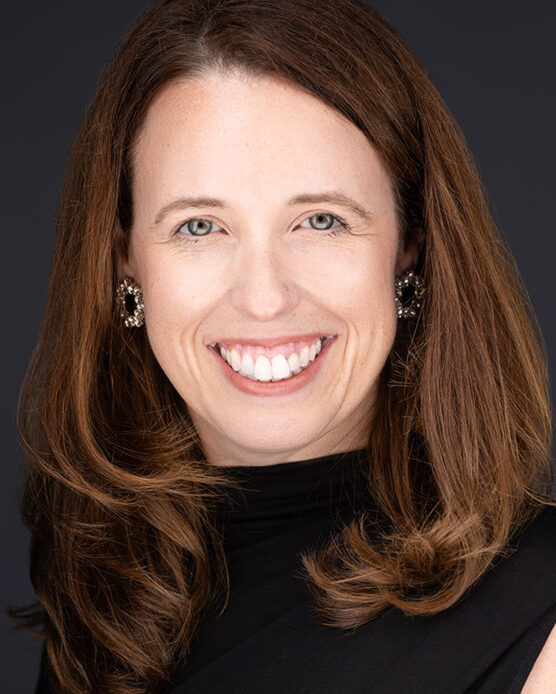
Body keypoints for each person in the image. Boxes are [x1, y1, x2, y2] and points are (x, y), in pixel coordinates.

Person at [6, 0, 555, 692]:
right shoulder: (103, 582)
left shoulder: (542, 617)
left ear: (410, 247)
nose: (263, 297)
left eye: (320, 221)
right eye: (200, 227)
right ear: (125, 263)